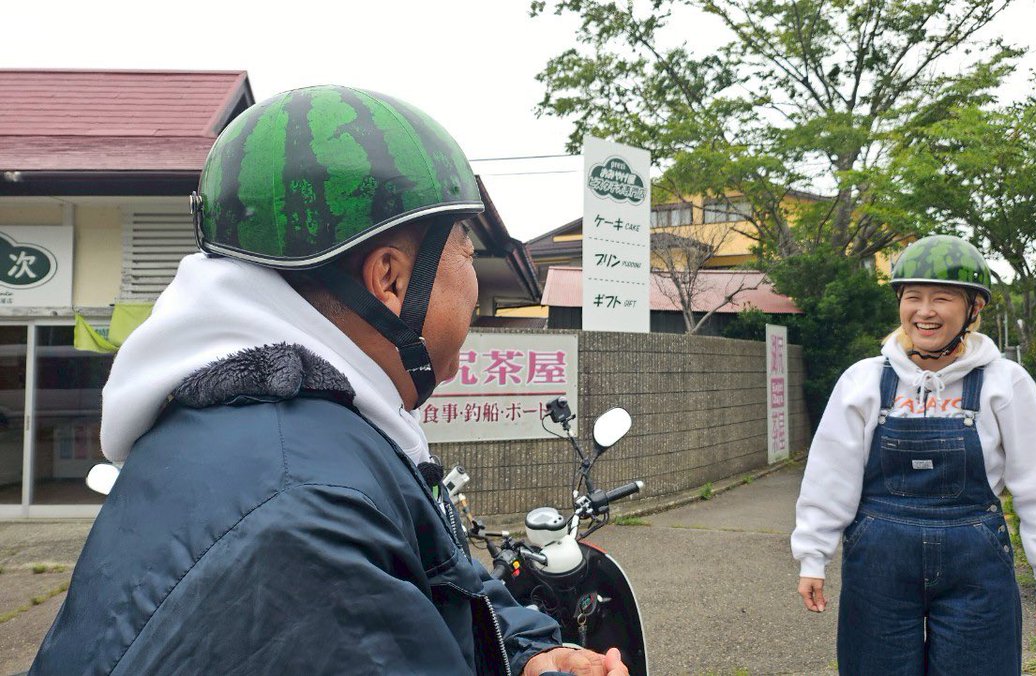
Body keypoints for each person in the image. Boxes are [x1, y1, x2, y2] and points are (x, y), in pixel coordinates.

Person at [31, 85, 626, 676]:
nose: (474, 285)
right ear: (390, 280)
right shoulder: (302, 516)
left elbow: (441, 583)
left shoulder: (284, 430)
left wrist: (528, 655)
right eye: (467, 255)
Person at [791, 235, 1036, 675]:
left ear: (973, 309)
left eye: (941, 298)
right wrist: (813, 554)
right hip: (880, 566)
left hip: (975, 564)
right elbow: (831, 474)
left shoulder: (1006, 383)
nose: (924, 311)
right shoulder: (864, 381)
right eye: (913, 298)